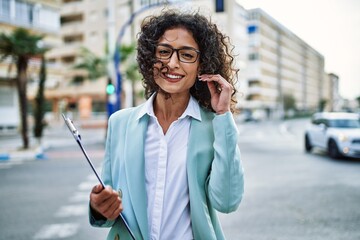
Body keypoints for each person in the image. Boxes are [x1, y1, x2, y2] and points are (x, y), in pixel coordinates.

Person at [89, 9, 244, 240]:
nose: (172, 63)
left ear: (201, 66)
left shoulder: (214, 126)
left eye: (187, 55)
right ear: (150, 59)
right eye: (164, 52)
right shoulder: (120, 123)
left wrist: (223, 114)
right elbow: (110, 208)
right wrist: (98, 207)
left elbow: (227, 202)